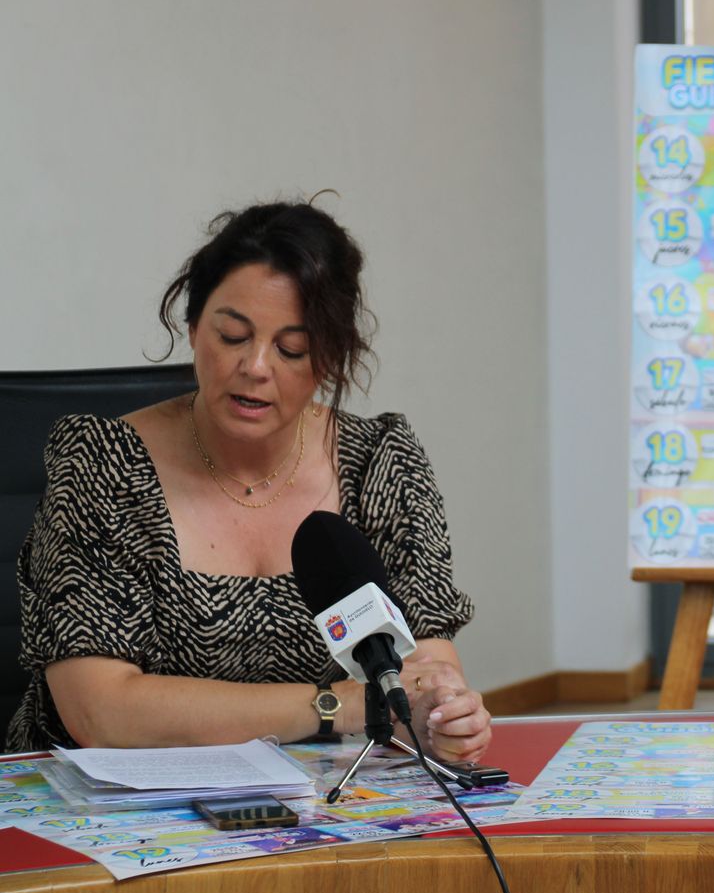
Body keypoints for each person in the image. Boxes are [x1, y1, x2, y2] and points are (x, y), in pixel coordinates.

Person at [6, 200, 492, 760]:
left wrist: (442, 721)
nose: (256, 367)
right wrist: (340, 705)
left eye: (292, 349)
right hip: (103, 809)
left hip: (310, 801)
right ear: (192, 328)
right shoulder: (104, 465)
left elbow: (425, 675)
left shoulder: (381, 464)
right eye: (233, 336)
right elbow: (102, 713)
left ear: (331, 358)